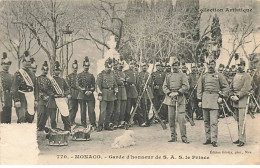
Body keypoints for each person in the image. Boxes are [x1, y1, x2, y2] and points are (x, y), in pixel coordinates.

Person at [197, 57, 230, 147]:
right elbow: (199, 88)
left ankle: (214, 140)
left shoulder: (219, 75)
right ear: (207, 65)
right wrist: (199, 100)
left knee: (214, 121)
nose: (210, 66)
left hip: (215, 100)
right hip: (205, 99)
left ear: (215, 65)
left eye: (212, 64)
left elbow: (226, 87)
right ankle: (208, 138)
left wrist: (222, 96)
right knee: (206, 121)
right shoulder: (203, 76)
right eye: (209, 64)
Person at [163, 57, 190, 143]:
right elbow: (164, 86)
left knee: (181, 119)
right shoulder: (168, 75)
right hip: (170, 98)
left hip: (180, 99)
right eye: (173, 65)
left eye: (177, 65)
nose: (175, 67)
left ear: (179, 66)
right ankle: (173, 136)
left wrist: (178, 92)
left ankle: (184, 137)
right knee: (171, 118)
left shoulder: (183, 75)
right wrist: (169, 93)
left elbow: (186, 86)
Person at [230, 58, 251, 147]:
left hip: (242, 100)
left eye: (241, 65)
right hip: (234, 100)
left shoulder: (247, 76)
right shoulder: (236, 75)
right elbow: (231, 86)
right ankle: (239, 137)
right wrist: (231, 95)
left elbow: (245, 88)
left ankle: (242, 140)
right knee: (238, 121)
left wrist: (238, 96)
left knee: (242, 121)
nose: (239, 67)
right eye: (238, 65)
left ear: (244, 66)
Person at [12, 51, 36, 123]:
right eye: (25, 61)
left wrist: (36, 99)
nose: (27, 63)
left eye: (29, 61)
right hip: (21, 97)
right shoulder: (18, 73)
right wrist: (16, 100)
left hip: (30, 97)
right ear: (22, 62)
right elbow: (15, 87)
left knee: (30, 117)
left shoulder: (32, 73)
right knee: (22, 117)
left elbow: (35, 87)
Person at [96, 58, 118, 131]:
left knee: (110, 111)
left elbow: (115, 83)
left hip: (111, 94)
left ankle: (106, 125)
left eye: (110, 67)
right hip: (104, 94)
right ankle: (100, 125)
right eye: (107, 67)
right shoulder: (101, 74)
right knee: (103, 111)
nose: (109, 68)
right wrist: (99, 94)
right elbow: (98, 85)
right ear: (105, 66)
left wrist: (115, 88)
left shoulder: (112, 74)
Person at [77, 57, 96, 128]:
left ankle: (93, 123)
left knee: (91, 110)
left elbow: (94, 85)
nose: (86, 67)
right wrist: (84, 91)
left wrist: (91, 91)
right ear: (83, 66)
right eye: (85, 66)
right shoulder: (79, 75)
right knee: (83, 110)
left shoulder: (91, 76)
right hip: (82, 95)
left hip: (90, 95)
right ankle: (84, 124)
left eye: (87, 66)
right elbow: (78, 85)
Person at [36, 61, 54, 131]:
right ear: (41, 70)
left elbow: (51, 89)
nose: (45, 71)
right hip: (41, 98)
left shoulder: (49, 79)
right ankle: (39, 126)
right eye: (44, 70)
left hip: (48, 98)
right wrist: (41, 96)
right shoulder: (38, 79)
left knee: (46, 113)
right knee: (41, 112)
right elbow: (37, 89)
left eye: (47, 70)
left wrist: (49, 96)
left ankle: (43, 126)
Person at [136, 62, 154, 126]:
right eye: (143, 66)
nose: (145, 67)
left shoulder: (149, 74)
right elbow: (138, 84)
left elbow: (151, 84)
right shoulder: (139, 74)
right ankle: (142, 120)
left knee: (148, 106)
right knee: (143, 106)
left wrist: (151, 93)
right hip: (142, 92)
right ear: (141, 67)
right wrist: (140, 91)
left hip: (148, 92)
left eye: (146, 66)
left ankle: (147, 119)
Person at [112, 58, 127, 128]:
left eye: (122, 64)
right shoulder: (115, 72)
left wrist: (124, 81)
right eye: (119, 64)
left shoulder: (124, 73)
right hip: (118, 91)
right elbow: (117, 81)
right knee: (117, 109)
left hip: (123, 91)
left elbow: (126, 81)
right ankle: (115, 122)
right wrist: (123, 81)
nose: (120, 65)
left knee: (123, 108)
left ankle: (121, 121)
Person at [124, 59, 138, 124]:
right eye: (130, 64)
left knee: (137, 107)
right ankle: (127, 120)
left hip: (134, 91)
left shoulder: (136, 72)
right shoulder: (125, 72)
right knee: (128, 107)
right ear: (128, 64)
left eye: (133, 64)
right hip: (128, 91)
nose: (132, 66)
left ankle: (136, 119)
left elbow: (137, 83)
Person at [0, 52, 13, 123]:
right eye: (4, 64)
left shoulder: (11, 76)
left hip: (9, 99)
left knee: (8, 119)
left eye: (8, 64)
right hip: (1, 99)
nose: (6, 66)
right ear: (2, 65)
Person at [66, 60, 80, 125]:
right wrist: (68, 94)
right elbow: (67, 86)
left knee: (76, 108)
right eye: (74, 68)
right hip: (71, 94)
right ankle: (69, 122)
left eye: (76, 68)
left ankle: (73, 121)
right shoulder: (69, 77)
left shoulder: (78, 76)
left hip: (77, 94)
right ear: (72, 68)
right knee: (71, 108)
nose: (75, 69)